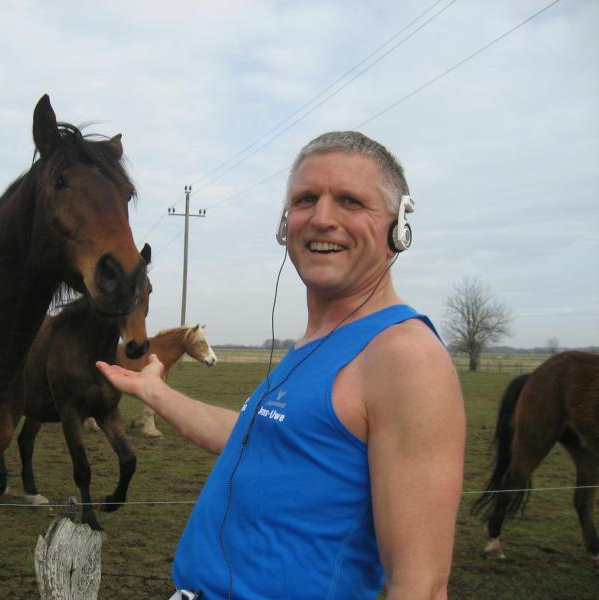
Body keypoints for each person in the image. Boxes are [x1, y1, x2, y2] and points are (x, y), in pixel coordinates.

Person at [96, 131, 465, 600]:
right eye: (305, 199)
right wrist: (156, 391)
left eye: (350, 201)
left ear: (398, 229)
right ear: (284, 224)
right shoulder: (314, 343)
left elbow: (421, 584)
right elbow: (256, 435)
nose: (322, 218)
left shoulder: (404, 355)